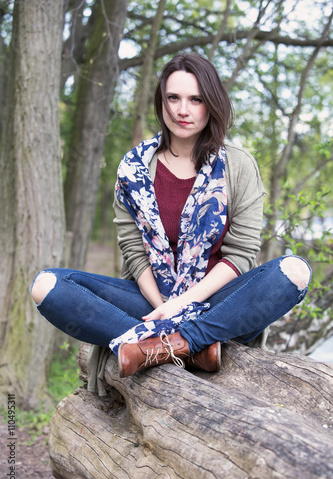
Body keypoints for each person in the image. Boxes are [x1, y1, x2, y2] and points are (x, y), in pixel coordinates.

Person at [31, 53, 311, 381]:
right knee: (48, 286)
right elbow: (135, 254)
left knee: (293, 272)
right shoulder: (134, 168)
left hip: (217, 302)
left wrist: (182, 305)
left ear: (212, 103)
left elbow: (241, 255)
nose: (182, 110)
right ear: (161, 102)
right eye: (173, 98)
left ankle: (175, 342)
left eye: (196, 99)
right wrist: (162, 305)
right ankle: (195, 347)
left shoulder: (238, 165)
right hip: (150, 301)